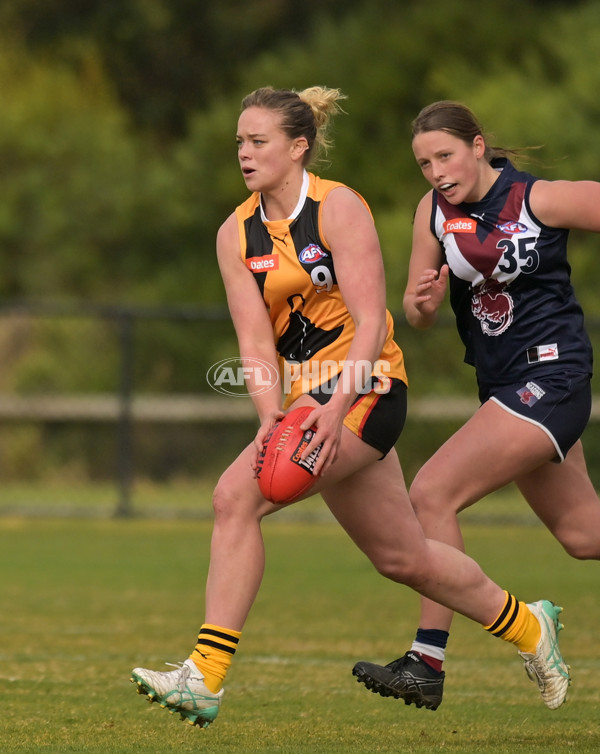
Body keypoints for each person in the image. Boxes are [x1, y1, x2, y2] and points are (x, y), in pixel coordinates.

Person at [129, 87, 570, 729]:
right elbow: (254, 343)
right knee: (404, 558)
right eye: (240, 143)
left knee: (234, 498)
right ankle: (531, 626)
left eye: (259, 142)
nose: (245, 155)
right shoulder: (236, 233)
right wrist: (265, 418)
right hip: (307, 401)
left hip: (368, 389)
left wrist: (336, 407)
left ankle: (205, 677)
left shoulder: (339, 208)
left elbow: (371, 322)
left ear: (297, 146)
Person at [353, 99, 600, 711]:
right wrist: (427, 301)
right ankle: (432, 660)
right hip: (502, 385)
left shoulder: (534, 199)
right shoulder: (432, 213)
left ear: (477, 146)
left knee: (432, 492)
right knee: (582, 534)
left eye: (444, 155)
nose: (435, 171)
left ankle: (426, 661)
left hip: (553, 374)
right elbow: (416, 311)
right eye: (423, 163)